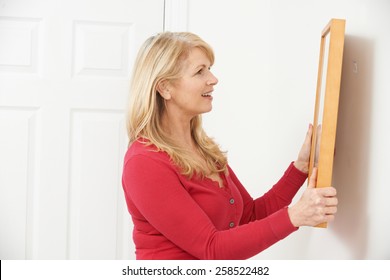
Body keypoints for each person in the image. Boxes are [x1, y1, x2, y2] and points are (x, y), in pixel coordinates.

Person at [121, 32, 338, 260]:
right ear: (165, 88)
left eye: (210, 68)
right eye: (200, 71)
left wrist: (301, 167)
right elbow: (212, 248)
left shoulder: (204, 149)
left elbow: (250, 216)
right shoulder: (144, 162)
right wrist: (294, 216)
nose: (213, 79)